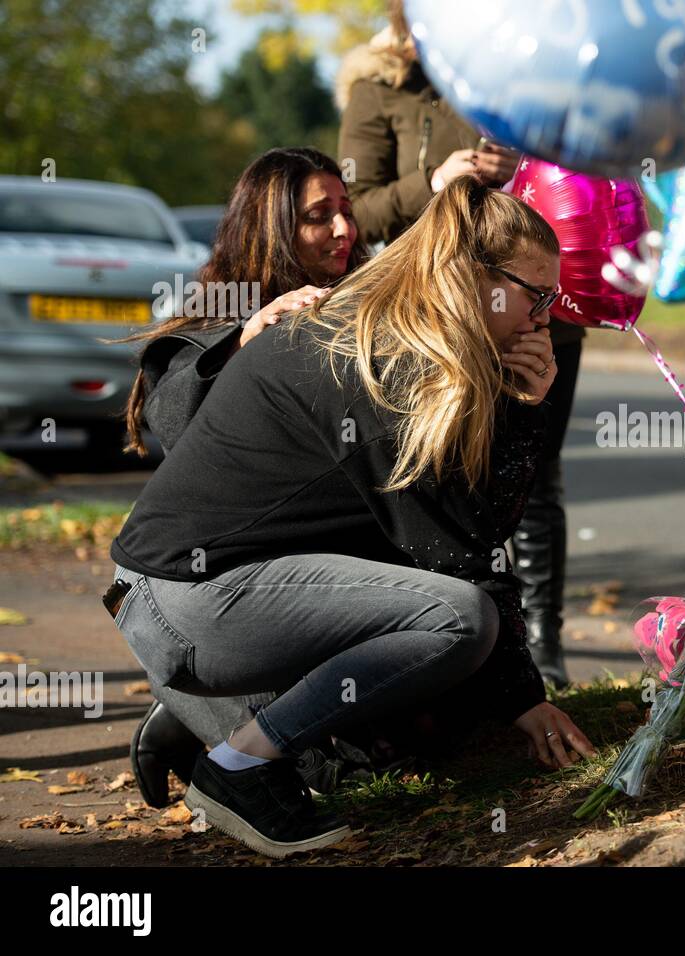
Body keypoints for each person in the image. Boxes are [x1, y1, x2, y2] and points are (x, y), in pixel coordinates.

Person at [105, 176, 597, 858]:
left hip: (199, 590)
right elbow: (459, 549)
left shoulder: (400, 336)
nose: (545, 317)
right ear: (470, 280)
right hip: (184, 605)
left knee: (433, 700)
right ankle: (239, 767)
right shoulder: (385, 367)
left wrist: (517, 698)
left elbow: (455, 539)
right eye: (535, 294)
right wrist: (522, 414)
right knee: (457, 622)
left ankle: (210, 719)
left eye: (554, 299)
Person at [337, 2, 583, 687]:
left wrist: (524, 166)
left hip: (540, 305)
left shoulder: (534, 79)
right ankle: (446, 647)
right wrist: (436, 183)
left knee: (538, 474)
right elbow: (352, 212)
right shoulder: (381, 88)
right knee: (441, 470)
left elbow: (590, 183)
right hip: (439, 314)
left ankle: (543, 648)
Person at [116, 147, 365, 808]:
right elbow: (172, 414)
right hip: (228, 576)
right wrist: (246, 347)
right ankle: (202, 715)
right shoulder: (222, 314)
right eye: (320, 216)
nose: (344, 230)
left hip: (343, 553)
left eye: (347, 211)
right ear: (271, 227)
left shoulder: (362, 299)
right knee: (320, 775)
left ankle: (193, 718)